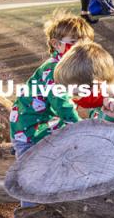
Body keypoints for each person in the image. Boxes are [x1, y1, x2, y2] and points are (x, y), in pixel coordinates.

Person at [9, 12, 94, 159]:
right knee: (30, 171)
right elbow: (61, 103)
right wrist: (79, 126)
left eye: (85, 43)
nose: (81, 48)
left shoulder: (66, 65)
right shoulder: (54, 69)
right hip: (30, 133)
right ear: (56, 44)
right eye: (74, 42)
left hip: (44, 124)